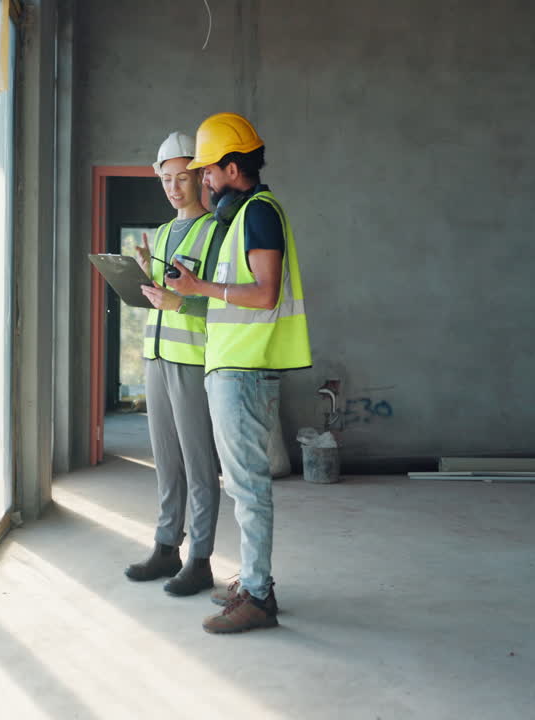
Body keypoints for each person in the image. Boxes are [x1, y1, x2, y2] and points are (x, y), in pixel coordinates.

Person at [165, 112, 312, 634]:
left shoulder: (259, 213)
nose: (203, 180)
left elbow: (265, 293)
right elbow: (233, 298)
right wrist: (185, 296)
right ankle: (252, 583)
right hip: (234, 366)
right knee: (242, 485)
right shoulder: (244, 218)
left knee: (248, 487)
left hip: (245, 370)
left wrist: (199, 288)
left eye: (207, 170)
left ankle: (258, 596)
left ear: (232, 168)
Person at [123, 131, 225, 597]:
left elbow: (223, 303)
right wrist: (142, 276)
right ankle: (167, 548)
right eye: (166, 179)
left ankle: (200, 559)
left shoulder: (215, 232)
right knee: (166, 462)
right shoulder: (163, 233)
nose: (173, 187)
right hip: (157, 356)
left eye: (182, 177)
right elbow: (160, 297)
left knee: (199, 464)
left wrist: (178, 303)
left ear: (200, 177)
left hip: (192, 360)